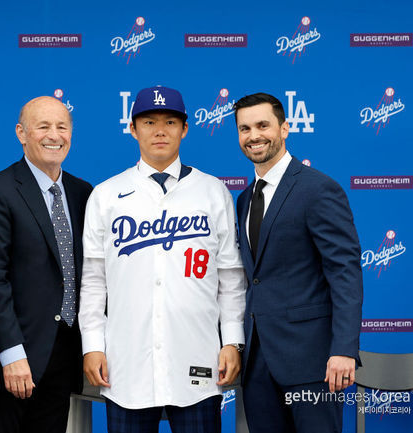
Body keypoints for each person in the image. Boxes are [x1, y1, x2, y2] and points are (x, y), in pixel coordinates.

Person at [80, 85, 246, 433]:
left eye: (170, 121)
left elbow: (231, 276)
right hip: (127, 366)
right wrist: (92, 346)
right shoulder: (106, 195)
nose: (159, 130)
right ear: (133, 129)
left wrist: (231, 340)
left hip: (197, 358)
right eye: (149, 121)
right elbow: (94, 280)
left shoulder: (213, 190)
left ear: (185, 129)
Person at [0, 96, 92, 432]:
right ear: (21, 133)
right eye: (43, 126)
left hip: (63, 355)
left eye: (62, 126)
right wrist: (12, 353)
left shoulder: (82, 193)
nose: (54, 135)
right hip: (12, 361)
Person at [233, 92, 363, 433]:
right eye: (245, 128)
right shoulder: (244, 198)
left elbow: (344, 271)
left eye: (263, 125)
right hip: (257, 364)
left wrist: (344, 350)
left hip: (313, 362)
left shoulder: (318, 189)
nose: (254, 135)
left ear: (285, 128)